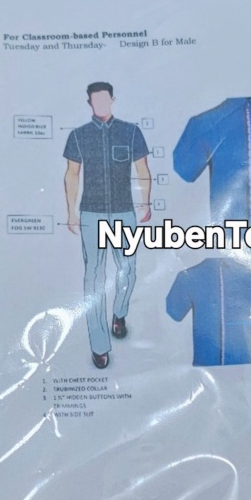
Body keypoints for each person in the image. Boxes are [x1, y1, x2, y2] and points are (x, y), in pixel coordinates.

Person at [63, 82, 151, 368]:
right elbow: (72, 175)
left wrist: (145, 202)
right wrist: (71, 212)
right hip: (92, 214)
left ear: (112, 99)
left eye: (104, 99)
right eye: (95, 100)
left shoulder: (131, 132)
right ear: (89, 103)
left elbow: (142, 169)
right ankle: (99, 345)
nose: (100, 104)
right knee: (94, 277)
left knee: (128, 270)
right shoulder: (78, 136)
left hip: (124, 213)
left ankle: (120, 312)